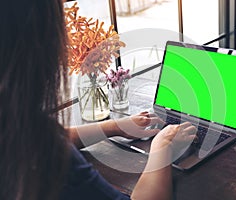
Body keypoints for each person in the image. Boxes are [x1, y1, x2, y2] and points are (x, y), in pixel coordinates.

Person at [0, 1, 196, 200]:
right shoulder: (54, 166)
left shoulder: (14, 130)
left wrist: (115, 126)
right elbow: (43, 145)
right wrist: (162, 149)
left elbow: (40, 139)